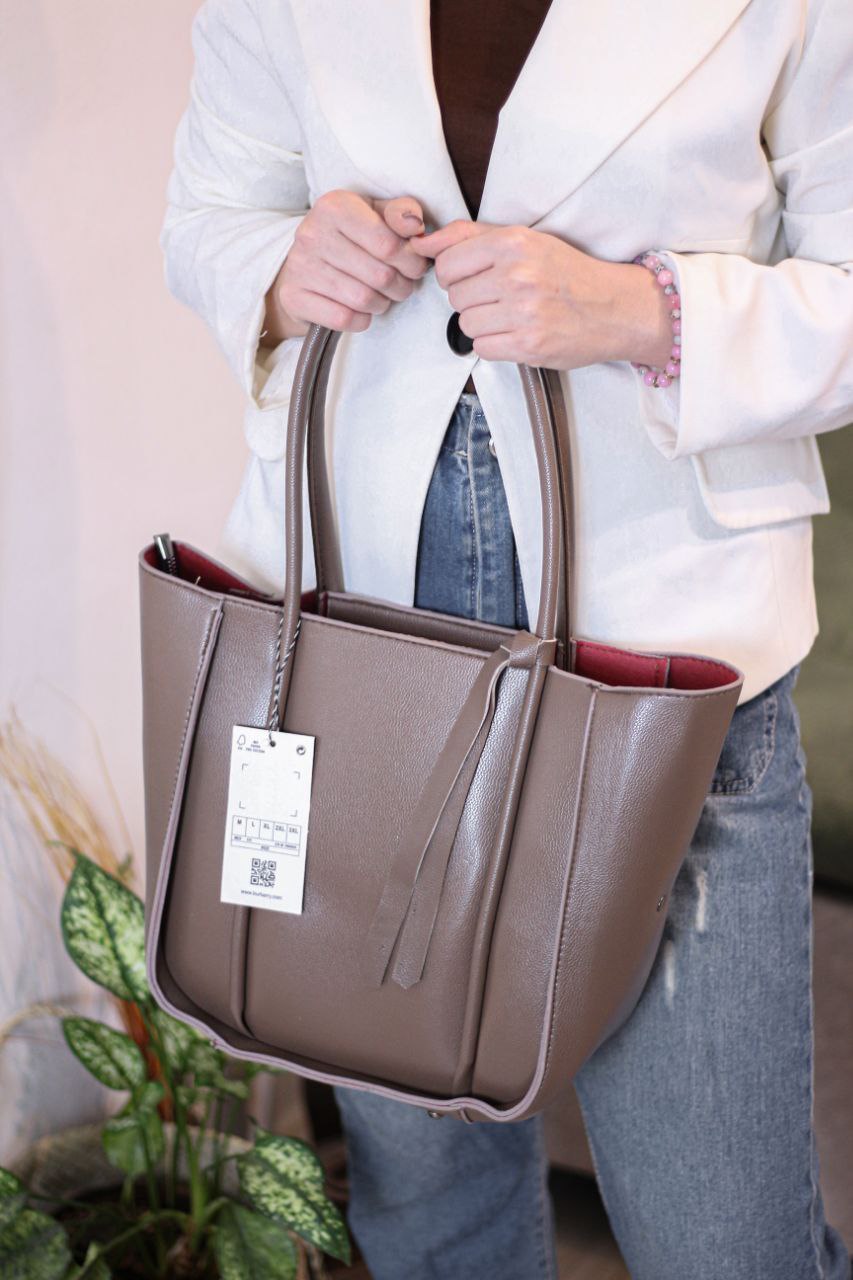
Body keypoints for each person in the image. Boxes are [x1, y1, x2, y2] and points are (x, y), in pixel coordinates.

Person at [160, 0, 853, 1275]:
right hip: (352, 651)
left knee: (723, 1242)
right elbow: (209, 216)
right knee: (428, 1220)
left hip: (668, 670)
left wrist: (643, 312)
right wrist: (282, 269)